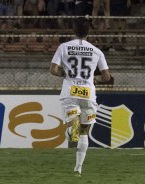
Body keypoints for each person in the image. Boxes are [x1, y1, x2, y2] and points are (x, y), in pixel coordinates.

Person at [50, 17, 111, 177]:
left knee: (72, 130)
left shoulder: (63, 47)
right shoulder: (97, 51)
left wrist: (66, 74)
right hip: (88, 92)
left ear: (73, 30)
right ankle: (78, 168)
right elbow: (106, 77)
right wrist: (94, 79)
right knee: (85, 131)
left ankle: (72, 126)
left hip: (70, 91)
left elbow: (53, 69)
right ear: (88, 32)